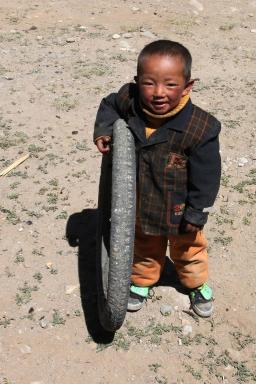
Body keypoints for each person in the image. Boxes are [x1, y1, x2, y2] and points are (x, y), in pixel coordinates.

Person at [93, 40, 221, 318]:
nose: (159, 93)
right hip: (142, 202)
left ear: (188, 86)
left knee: (189, 251)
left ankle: (196, 284)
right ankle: (142, 281)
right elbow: (110, 103)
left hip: (181, 208)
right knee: (144, 246)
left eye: (171, 85)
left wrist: (197, 211)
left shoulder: (200, 128)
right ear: (138, 81)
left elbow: (208, 176)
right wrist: (104, 129)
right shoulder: (131, 101)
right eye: (149, 83)